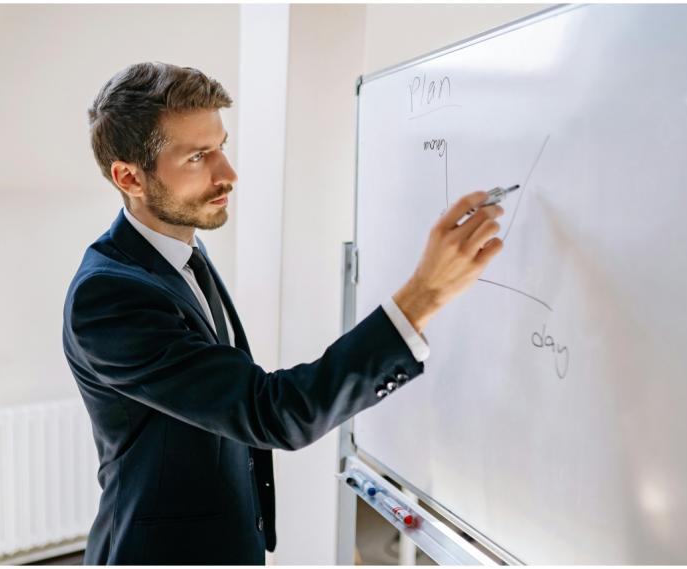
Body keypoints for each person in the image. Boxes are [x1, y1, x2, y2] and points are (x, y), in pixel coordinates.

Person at [62, 62, 504, 565]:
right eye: (198, 157)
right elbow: (273, 411)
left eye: (221, 145)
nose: (227, 173)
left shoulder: (179, 249)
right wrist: (423, 295)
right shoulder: (108, 297)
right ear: (129, 177)